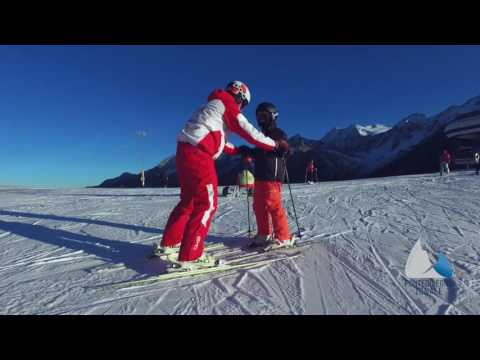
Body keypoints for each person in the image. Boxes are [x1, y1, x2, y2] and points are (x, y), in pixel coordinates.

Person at [157, 81, 289, 270]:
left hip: (184, 151)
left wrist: (238, 151)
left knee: (188, 201)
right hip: (199, 154)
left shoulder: (212, 106)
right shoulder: (227, 104)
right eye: (243, 105)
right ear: (241, 97)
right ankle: (191, 255)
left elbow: (220, 142)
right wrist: (275, 145)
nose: (241, 108)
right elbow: (248, 131)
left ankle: (168, 244)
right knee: (207, 203)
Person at [237, 102, 295, 251]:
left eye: (263, 116)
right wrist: (248, 152)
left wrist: (284, 147)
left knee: (273, 205)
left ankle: (283, 237)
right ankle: (264, 234)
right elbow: (260, 152)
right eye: (258, 116)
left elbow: (286, 149)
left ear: (273, 116)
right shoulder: (262, 136)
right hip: (260, 176)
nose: (260, 119)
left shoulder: (278, 133)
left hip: (272, 175)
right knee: (258, 206)